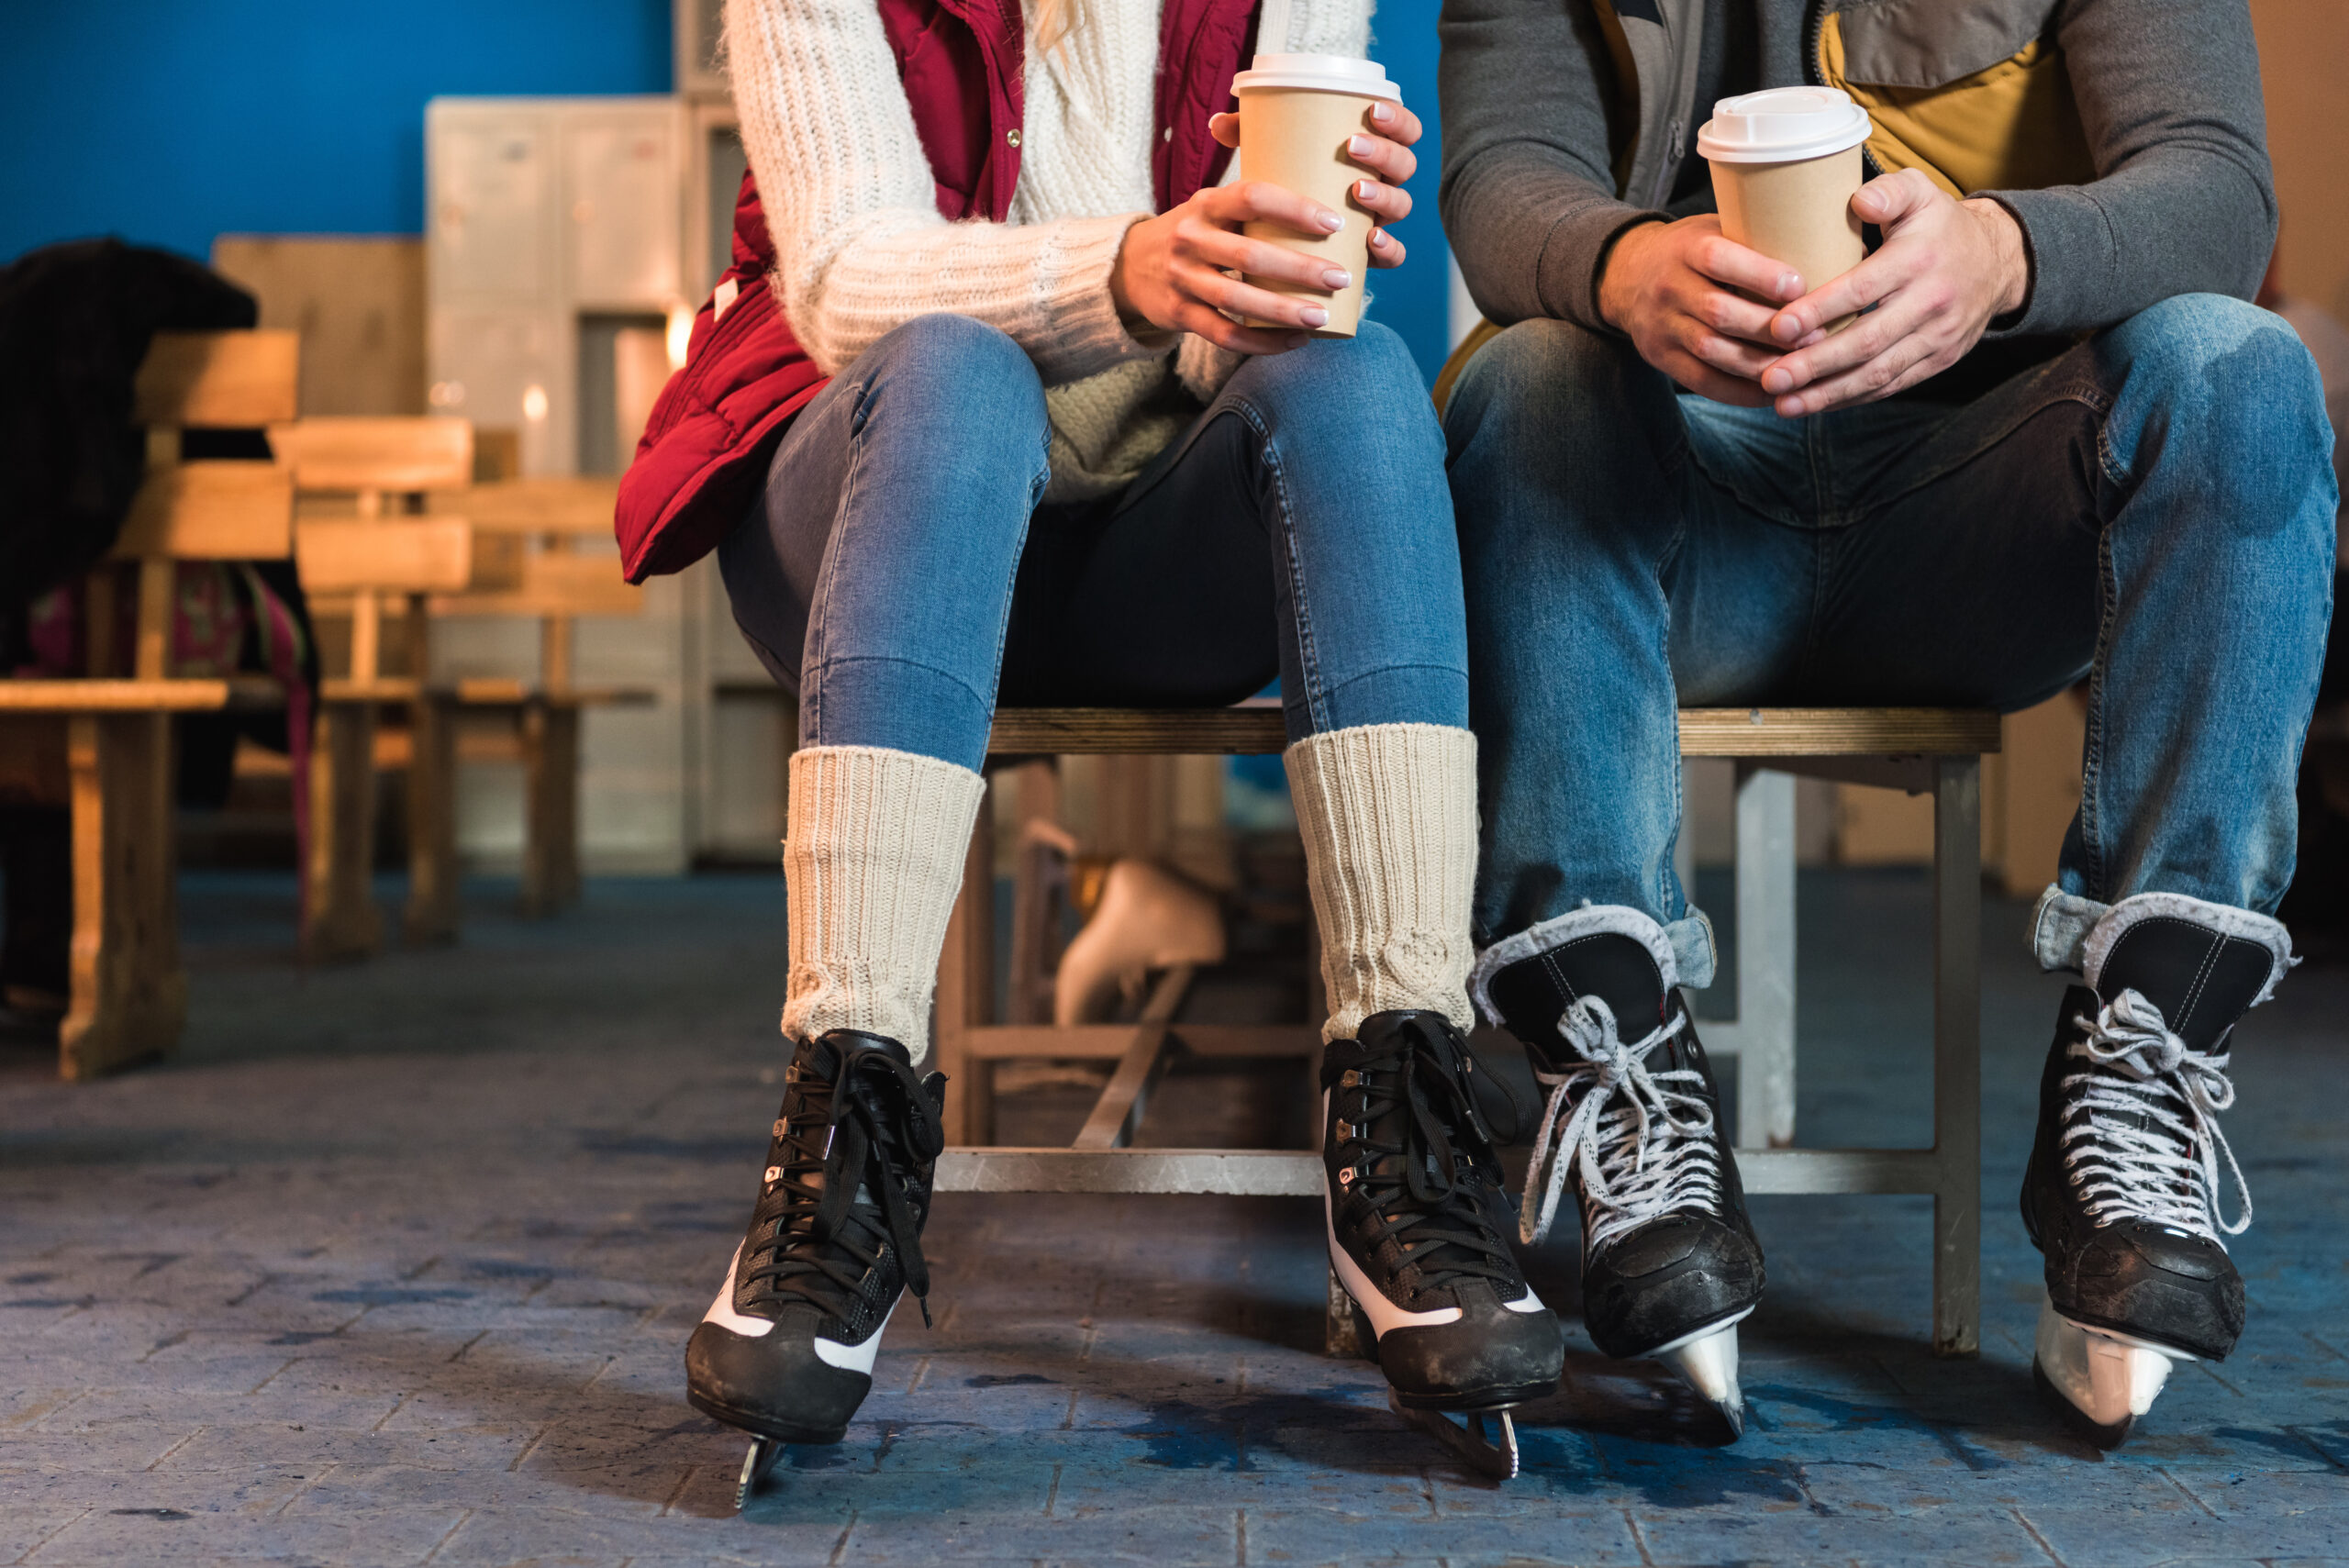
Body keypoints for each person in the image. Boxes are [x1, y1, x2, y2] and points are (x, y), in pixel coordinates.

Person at [621, 0, 1566, 1494]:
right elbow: (848, 282)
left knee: (1358, 374)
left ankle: (1401, 1095)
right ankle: (844, 1114)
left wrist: (1274, 268)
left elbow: (1239, 340)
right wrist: (1129, 264)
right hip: (875, 499)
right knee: (956, 374)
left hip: (1145, 545)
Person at [1436, 0, 2336, 1447]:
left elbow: (2218, 188)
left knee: (2245, 365)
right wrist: (1617, 264)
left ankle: (2140, 1075)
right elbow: (1498, 180)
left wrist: (2004, 251)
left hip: (1985, 506)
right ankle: (1619, 1073)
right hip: (1690, 503)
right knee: (1526, 375)